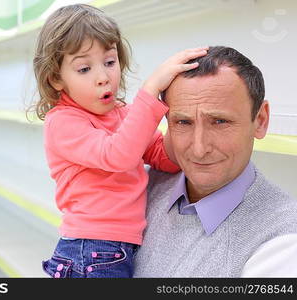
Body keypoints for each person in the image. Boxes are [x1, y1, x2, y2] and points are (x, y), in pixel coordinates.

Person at [32, 4, 208, 278]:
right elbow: (117, 155)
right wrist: (149, 93)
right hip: (89, 250)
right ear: (56, 78)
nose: (103, 77)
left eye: (110, 62)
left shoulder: (124, 115)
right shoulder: (63, 122)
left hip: (113, 250)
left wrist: (179, 115)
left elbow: (165, 159)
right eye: (84, 69)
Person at [134, 46, 297, 277]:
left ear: (260, 120)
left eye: (220, 121)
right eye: (183, 122)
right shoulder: (140, 186)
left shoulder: (284, 241)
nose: (199, 150)